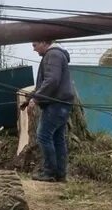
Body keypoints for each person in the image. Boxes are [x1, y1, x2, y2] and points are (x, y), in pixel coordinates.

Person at [22, 39, 75, 182]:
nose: (33, 49)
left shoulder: (52, 55)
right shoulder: (57, 55)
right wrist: (29, 99)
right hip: (63, 103)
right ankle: (60, 173)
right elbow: (46, 83)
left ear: (44, 42)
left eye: (35, 45)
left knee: (43, 136)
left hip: (55, 104)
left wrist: (36, 99)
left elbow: (51, 81)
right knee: (58, 138)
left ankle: (49, 172)